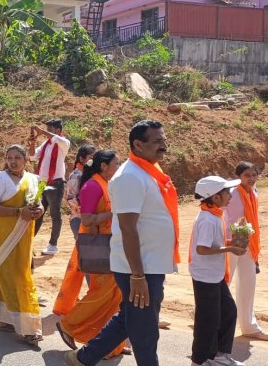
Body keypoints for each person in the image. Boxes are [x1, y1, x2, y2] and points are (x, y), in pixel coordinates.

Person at [65, 120, 179, 366]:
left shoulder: (148, 172)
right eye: (157, 141)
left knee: (130, 318)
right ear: (138, 145)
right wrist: (137, 276)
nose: (164, 145)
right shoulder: (130, 177)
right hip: (138, 268)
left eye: (164, 140)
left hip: (150, 263)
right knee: (145, 330)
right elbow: (127, 228)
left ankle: (84, 358)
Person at [57, 150, 129, 358]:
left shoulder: (108, 184)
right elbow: (87, 219)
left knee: (115, 295)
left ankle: (111, 344)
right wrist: (114, 214)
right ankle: (68, 324)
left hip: (112, 245)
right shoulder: (92, 186)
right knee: (101, 293)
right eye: (116, 164)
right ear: (104, 166)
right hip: (99, 248)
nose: (119, 167)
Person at [0, 145, 44, 345]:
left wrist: (40, 210)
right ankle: (28, 328)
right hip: (2, 237)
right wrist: (18, 212)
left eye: (17, 157)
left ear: (26, 160)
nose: (13, 161)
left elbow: (39, 203)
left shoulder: (33, 179)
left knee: (18, 275)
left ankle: (3, 320)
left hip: (24, 236)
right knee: (12, 277)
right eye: (9, 157)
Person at [189, 176, 247, 366]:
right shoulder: (208, 219)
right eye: (227, 193)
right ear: (214, 197)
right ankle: (199, 360)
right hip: (205, 276)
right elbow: (202, 249)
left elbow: (213, 243)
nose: (230, 196)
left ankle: (218, 355)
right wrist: (230, 248)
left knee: (228, 311)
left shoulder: (214, 215)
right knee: (208, 321)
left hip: (214, 275)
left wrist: (232, 243)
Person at [224, 162, 268, 342]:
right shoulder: (230, 193)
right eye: (247, 175)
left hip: (249, 243)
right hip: (230, 243)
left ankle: (249, 327)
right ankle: (202, 314)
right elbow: (221, 215)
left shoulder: (254, 192)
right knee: (223, 282)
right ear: (238, 176)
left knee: (248, 285)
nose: (251, 179)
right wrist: (230, 238)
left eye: (254, 175)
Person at [54, 145, 98, 315]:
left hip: (89, 220)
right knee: (88, 260)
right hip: (80, 220)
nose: (94, 160)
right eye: (92, 157)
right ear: (82, 158)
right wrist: (91, 210)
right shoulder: (76, 176)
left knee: (89, 260)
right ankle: (91, 296)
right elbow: (71, 200)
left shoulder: (91, 175)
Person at [29, 119, 71, 256]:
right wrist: (33, 143)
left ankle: (53, 244)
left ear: (58, 130)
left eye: (50, 129)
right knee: (37, 212)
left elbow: (55, 138)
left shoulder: (64, 142)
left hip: (55, 182)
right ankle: (29, 242)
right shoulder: (46, 144)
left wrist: (41, 131)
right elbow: (32, 157)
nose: (47, 132)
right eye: (47, 129)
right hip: (42, 183)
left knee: (55, 214)